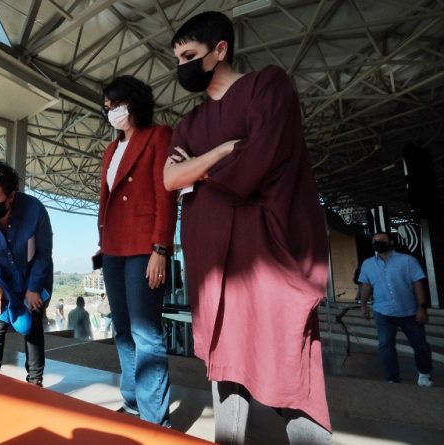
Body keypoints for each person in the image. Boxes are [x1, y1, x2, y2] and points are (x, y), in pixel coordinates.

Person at [164, 11, 332, 443]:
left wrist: (198, 168)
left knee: (289, 369)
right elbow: (169, 178)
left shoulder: (267, 85)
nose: (181, 65)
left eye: (189, 55)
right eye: (177, 58)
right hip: (213, 261)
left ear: (220, 49)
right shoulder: (189, 122)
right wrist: (223, 151)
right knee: (225, 368)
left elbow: (261, 158)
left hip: (266, 254)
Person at [97, 75, 177, 426]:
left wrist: (161, 248)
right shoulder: (110, 150)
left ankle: (154, 418)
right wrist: (101, 244)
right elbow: (105, 201)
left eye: (116, 105)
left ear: (134, 103)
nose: (111, 112)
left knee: (146, 332)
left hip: (145, 245)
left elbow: (166, 194)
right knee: (122, 329)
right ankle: (132, 403)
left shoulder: (158, 135)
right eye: (107, 107)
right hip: (113, 246)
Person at [0, 160, 53, 387]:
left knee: (32, 325)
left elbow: (43, 253)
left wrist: (33, 288)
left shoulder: (34, 210)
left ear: (11, 196)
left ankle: (35, 381)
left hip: (33, 273)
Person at [358, 231, 433, 386]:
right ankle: (392, 377)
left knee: (420, 345)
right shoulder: (368, 264)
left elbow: (417, 284)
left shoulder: (408, 260)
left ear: (391, 242)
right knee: (385, 346)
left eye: (381, 240)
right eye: (374, 240)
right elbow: (366, 285)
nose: (377, 242)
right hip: (383, 312)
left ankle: (424, 373)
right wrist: (363, 305)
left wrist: (422, 307)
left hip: (409, 311)